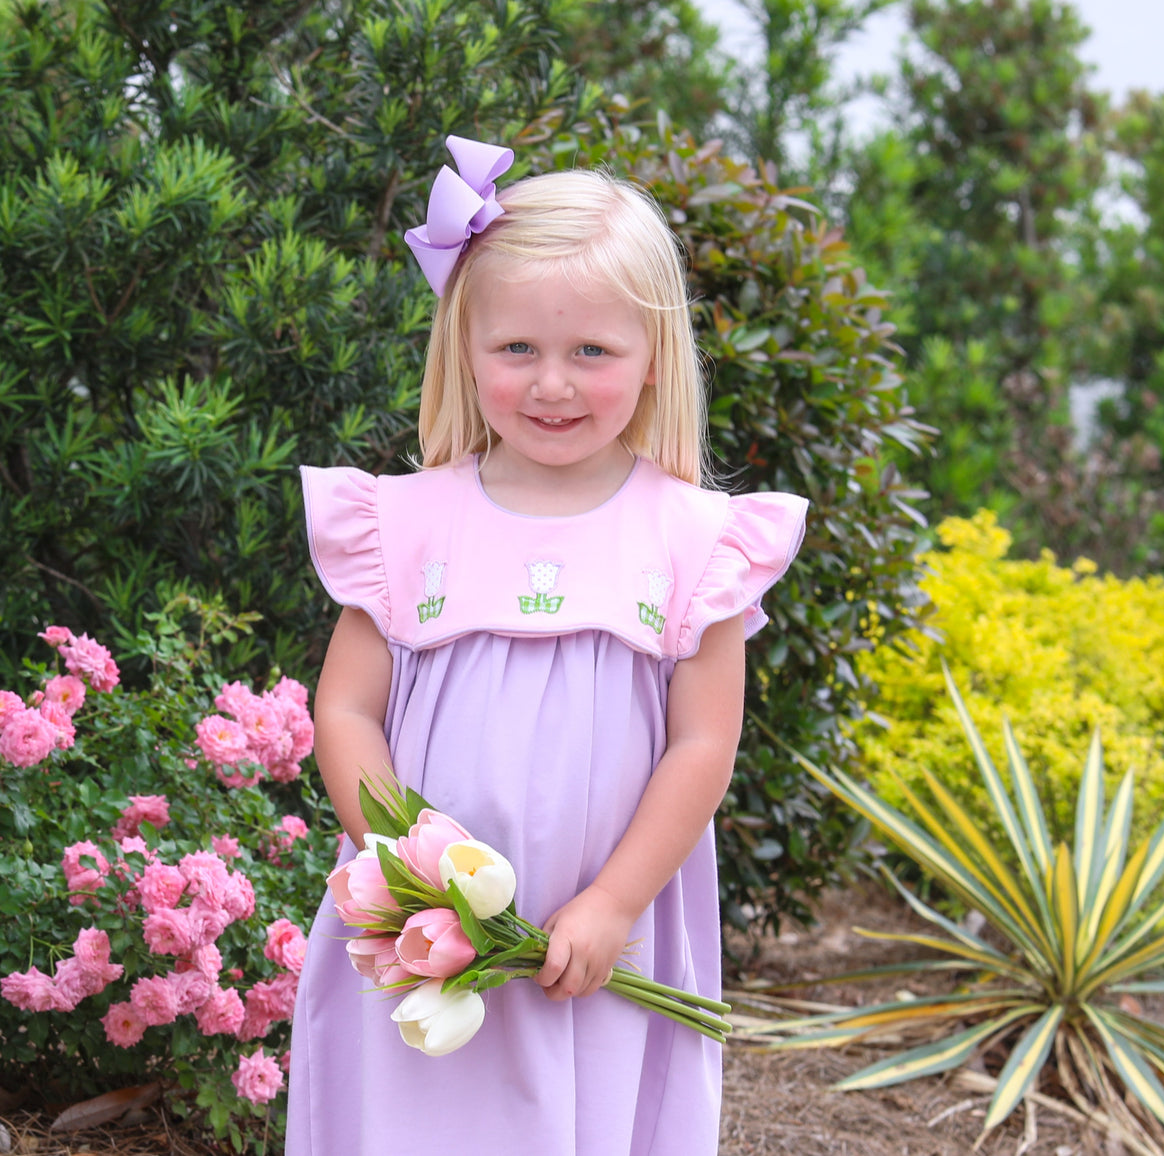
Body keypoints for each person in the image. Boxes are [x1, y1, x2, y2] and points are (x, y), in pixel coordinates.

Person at [285, 135, 807, 1155]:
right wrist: (399, 861)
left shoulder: (695, 541)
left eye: (591, 353)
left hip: (602, 931)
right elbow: (343, 708)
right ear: (462, 349)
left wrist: (612, 903)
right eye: (515, 349)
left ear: (653, 355)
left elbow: (701, 744)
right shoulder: (403, 524)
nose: (551, 384)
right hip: (421, 928)